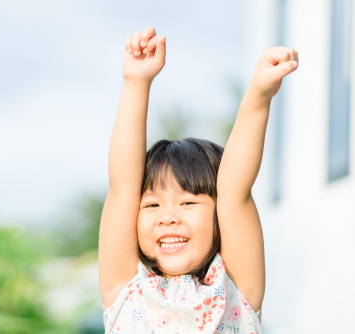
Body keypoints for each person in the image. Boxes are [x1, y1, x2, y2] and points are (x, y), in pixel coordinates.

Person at [98, 26, 299, 333]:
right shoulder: (126, 292)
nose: (167, 217)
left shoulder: (235, 290)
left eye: (188, 201)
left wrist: (259, 93)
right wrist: (135, 83)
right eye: (151, 205)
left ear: (220, 216)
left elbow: (234, 191)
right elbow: (123, 187)